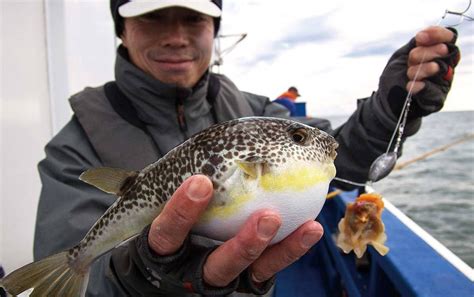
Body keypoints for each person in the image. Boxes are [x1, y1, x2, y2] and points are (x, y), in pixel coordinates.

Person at [31, 0, 460, 296]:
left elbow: (339, 159)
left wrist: (391, 107)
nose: (177, 37)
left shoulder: (256, 113)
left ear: (213, 30)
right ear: (122, 29)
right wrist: (144, 274)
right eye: (154, 18)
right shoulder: (74, 145)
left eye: (193, 20)